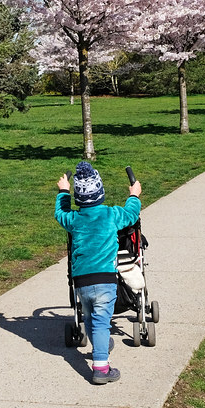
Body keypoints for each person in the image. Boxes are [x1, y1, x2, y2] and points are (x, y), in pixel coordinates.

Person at [55, 161, 141, 384]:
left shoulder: (74, 219)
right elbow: (132, 214)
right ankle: (101, 369)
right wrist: (134, 195)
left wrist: (64, 191)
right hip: (105, 279)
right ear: (101, 193)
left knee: (91, 317)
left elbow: (60, 213)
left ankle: (102, 343)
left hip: (81, 281)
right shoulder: (112, 215)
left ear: (79, 198)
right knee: (102, 322)